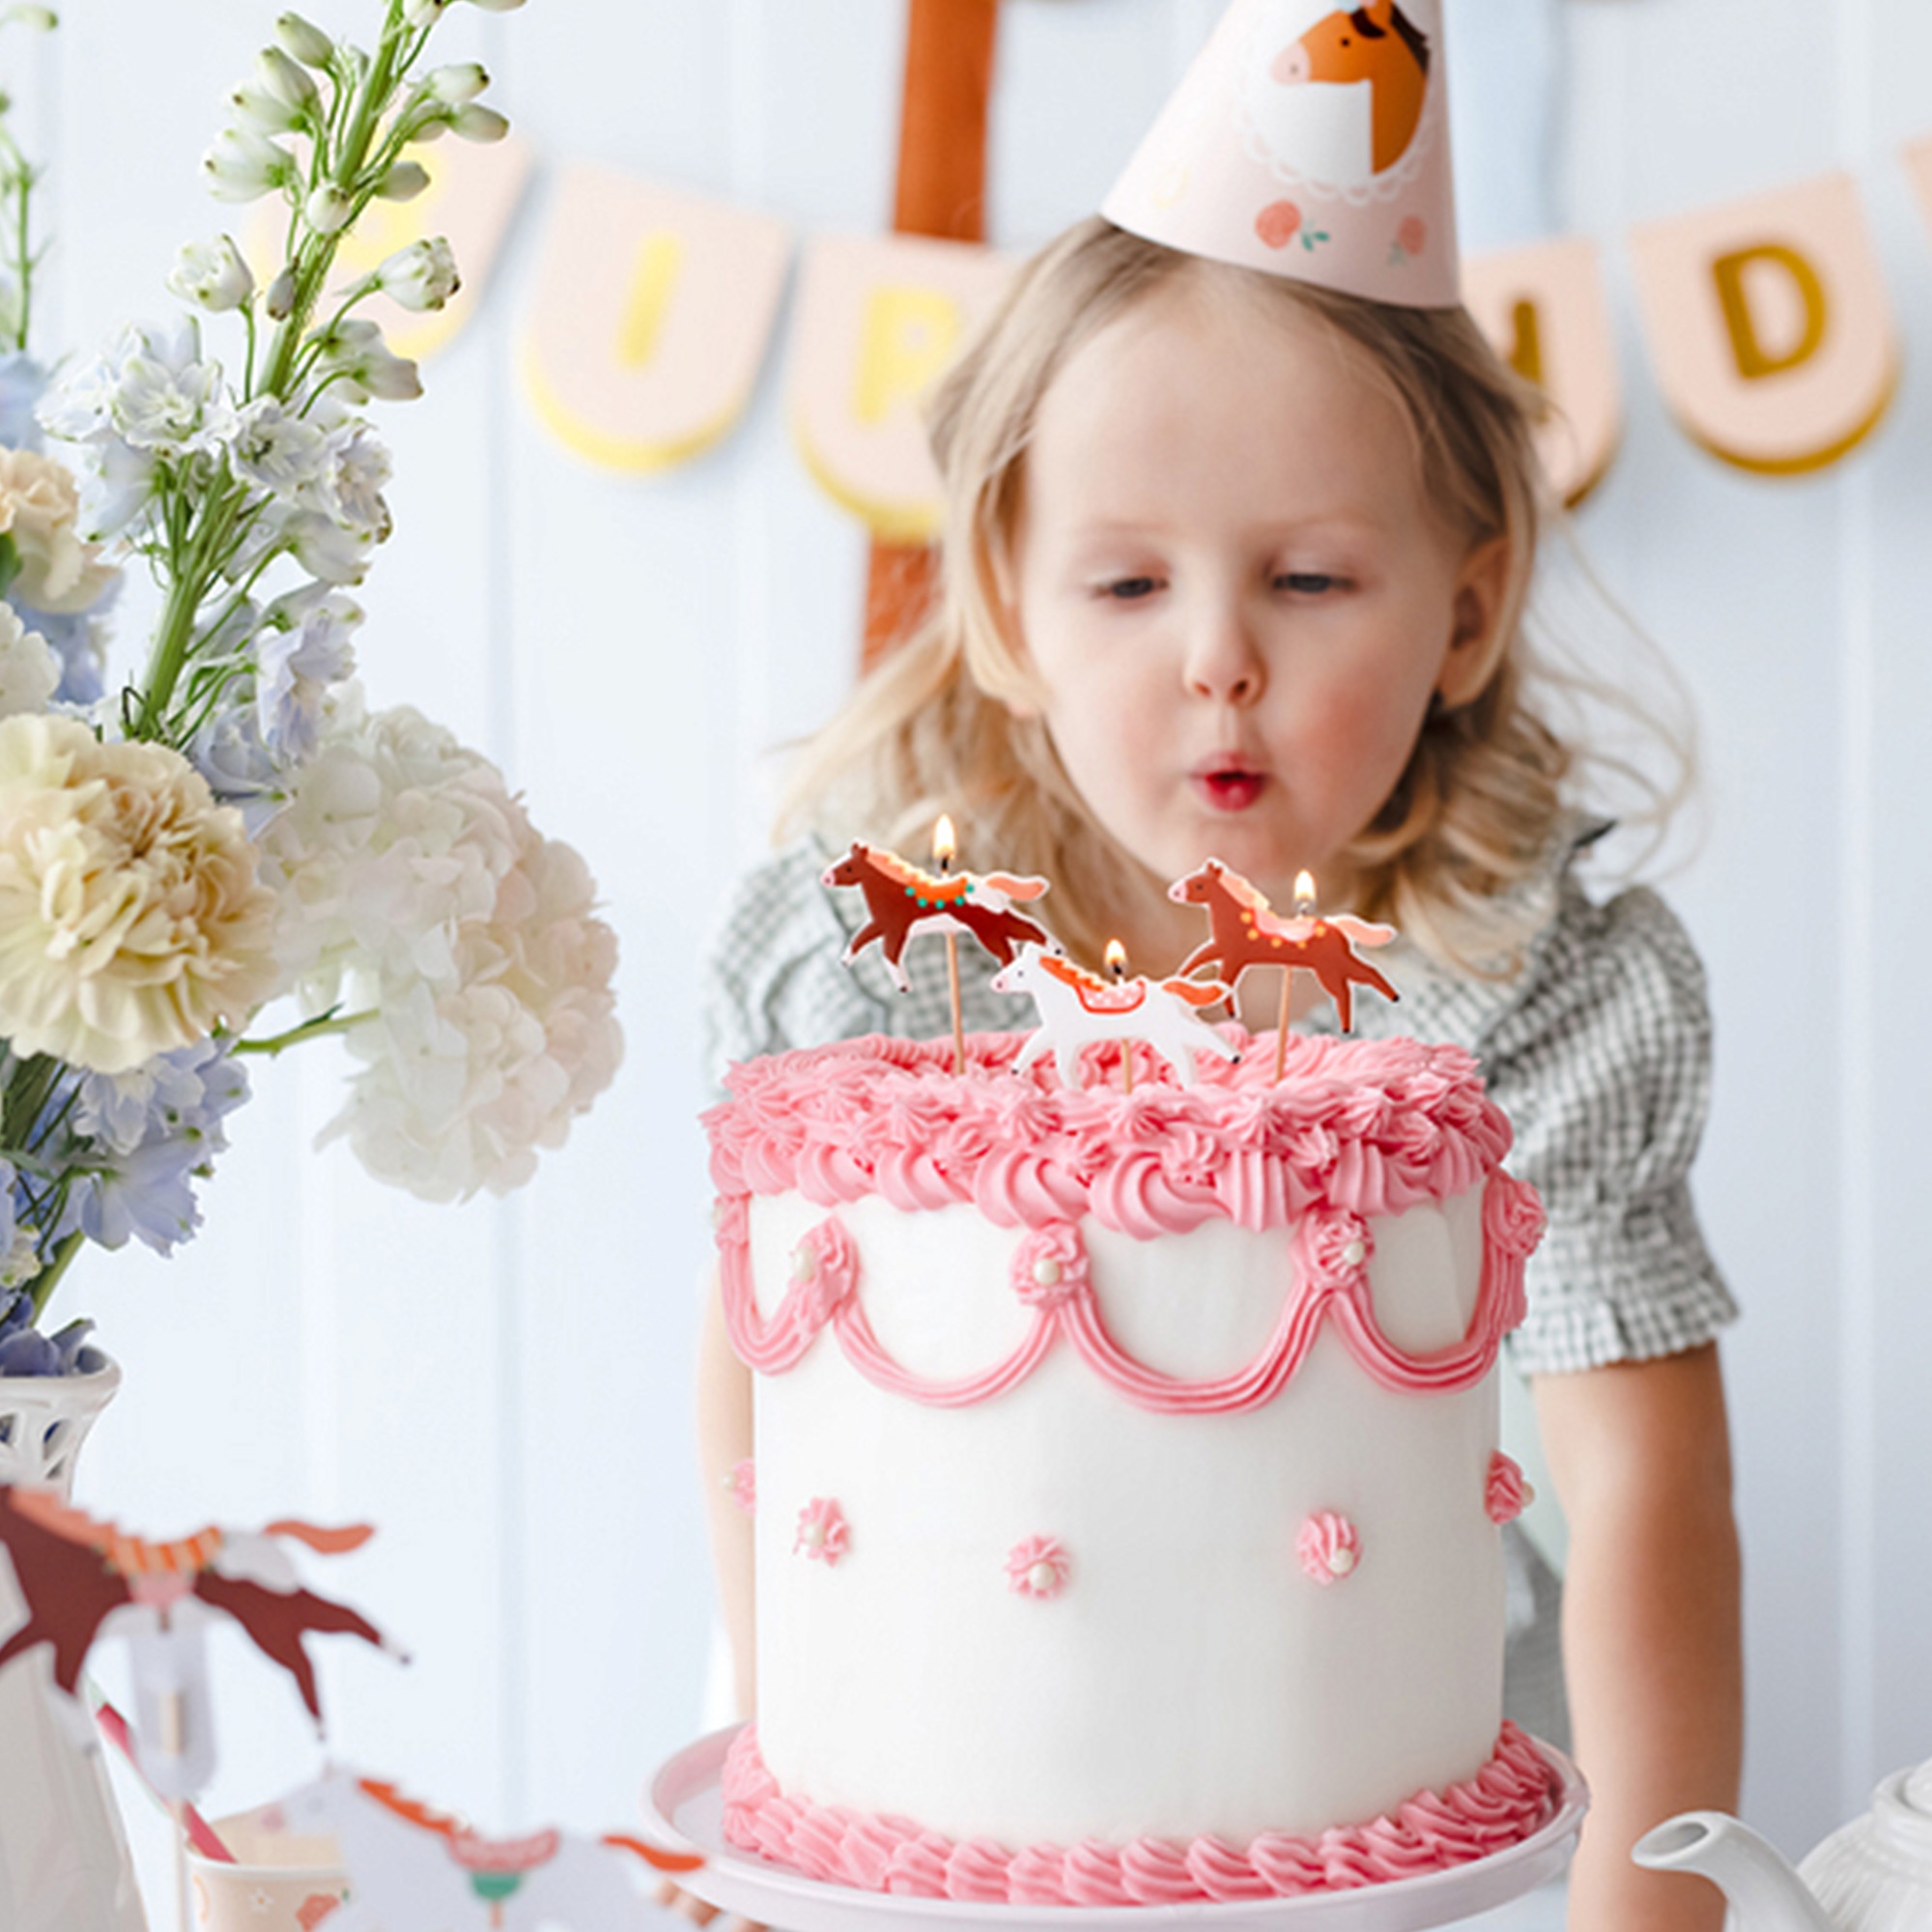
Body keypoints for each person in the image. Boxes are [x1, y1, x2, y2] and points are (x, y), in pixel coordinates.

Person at [696, 20, 1741, 1932]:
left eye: (1309, 579)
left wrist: (1645, 1907)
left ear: (1467, 611)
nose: (1216, 660)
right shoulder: (888, 958)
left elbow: (1642, 1493)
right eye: (1126, 583)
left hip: (1388, 1821)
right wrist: (800, 1815)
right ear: (1002, 606)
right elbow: (762, 1393)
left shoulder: (1532, 992)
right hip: (931, 1793)